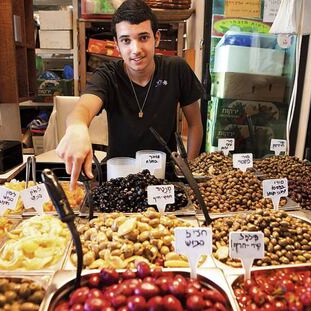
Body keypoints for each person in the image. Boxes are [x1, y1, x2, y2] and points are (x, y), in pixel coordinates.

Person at [56, 0, 204, 189]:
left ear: (156, 38)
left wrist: (188, 169)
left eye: (143, 38)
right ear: (117, 44)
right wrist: (77, 127)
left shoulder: (176, 69)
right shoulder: (107, 75)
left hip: (163, 177)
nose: (136, 50)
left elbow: (195, 124)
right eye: (126, 40)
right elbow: (83, 107)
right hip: (118, 177)